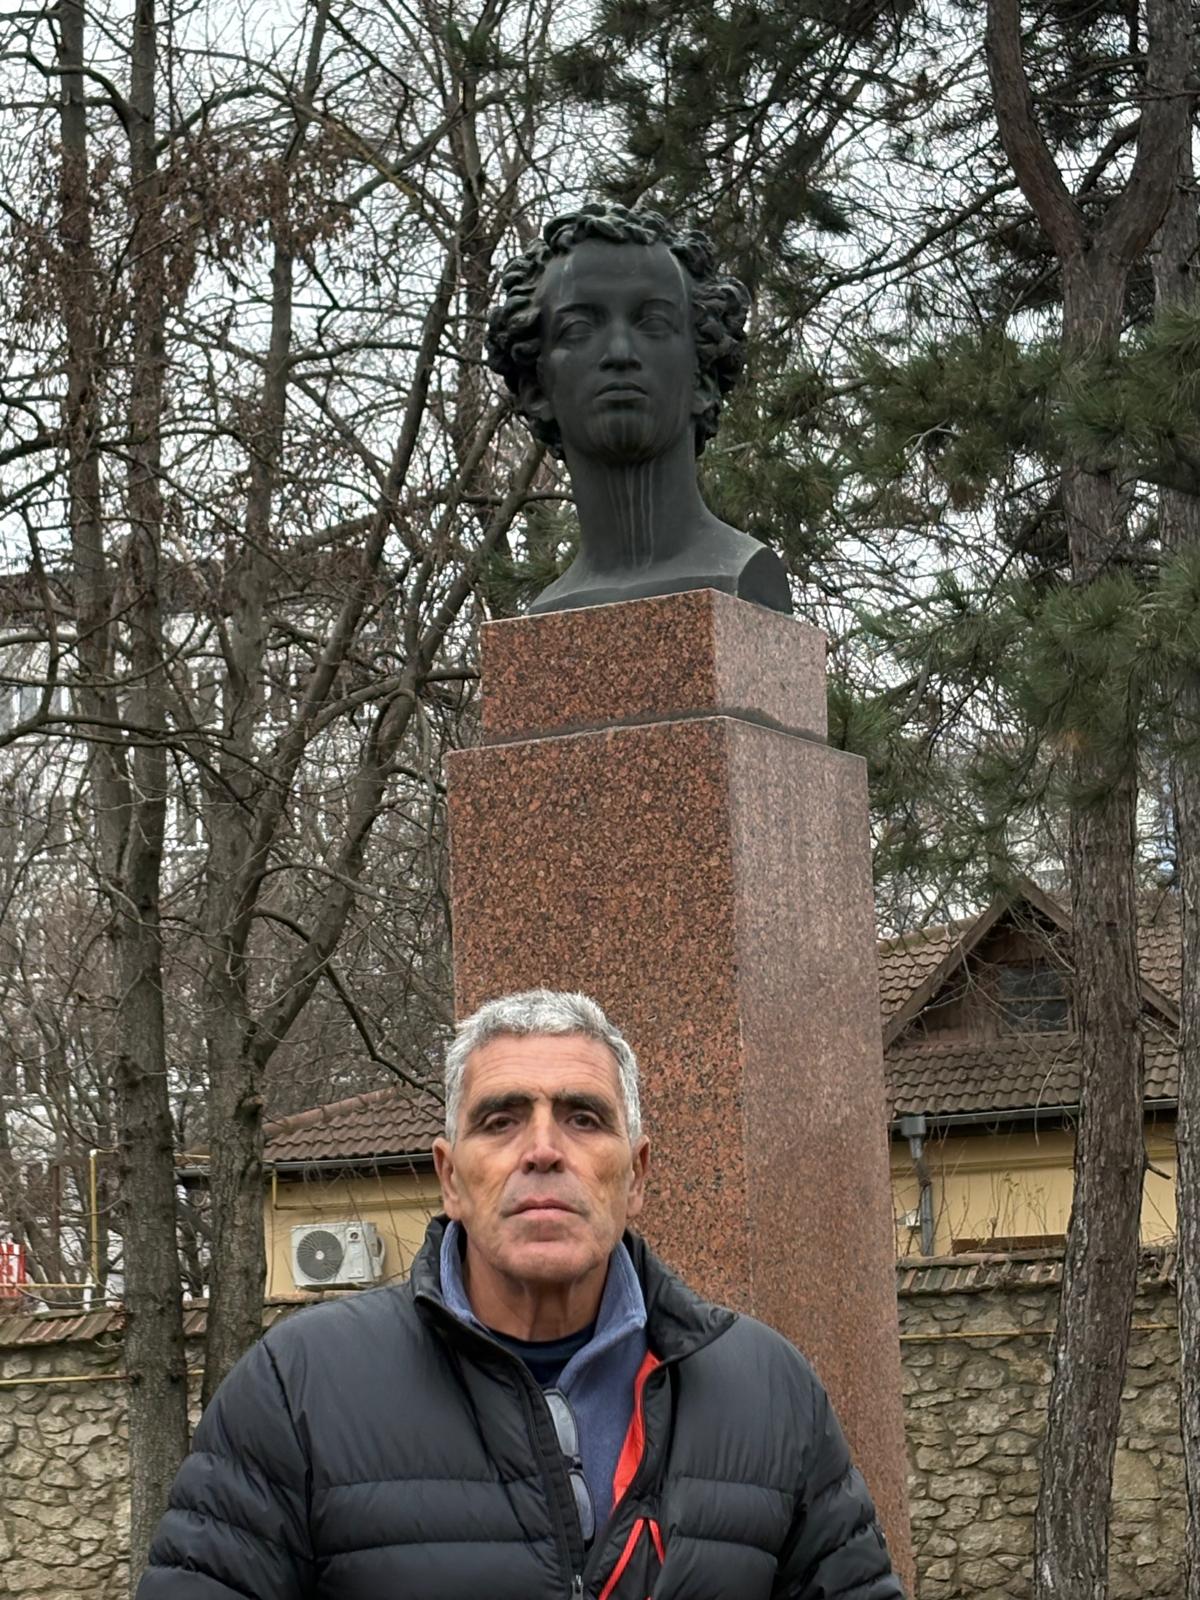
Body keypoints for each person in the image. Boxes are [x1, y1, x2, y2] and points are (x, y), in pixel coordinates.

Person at [139, 989, 903, 1599]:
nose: (542, 1150)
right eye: (501, 1120)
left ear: (636, 1175)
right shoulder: (298, 1389)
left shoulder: (769, 1393)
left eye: (583, 1118)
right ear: (450, 1178)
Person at [485, 204, 794, 616]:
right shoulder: (548, 614)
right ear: (536, 390)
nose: (620, 353)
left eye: (653, 323)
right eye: (579, 328)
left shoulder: (745, 576)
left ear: (702, 378)